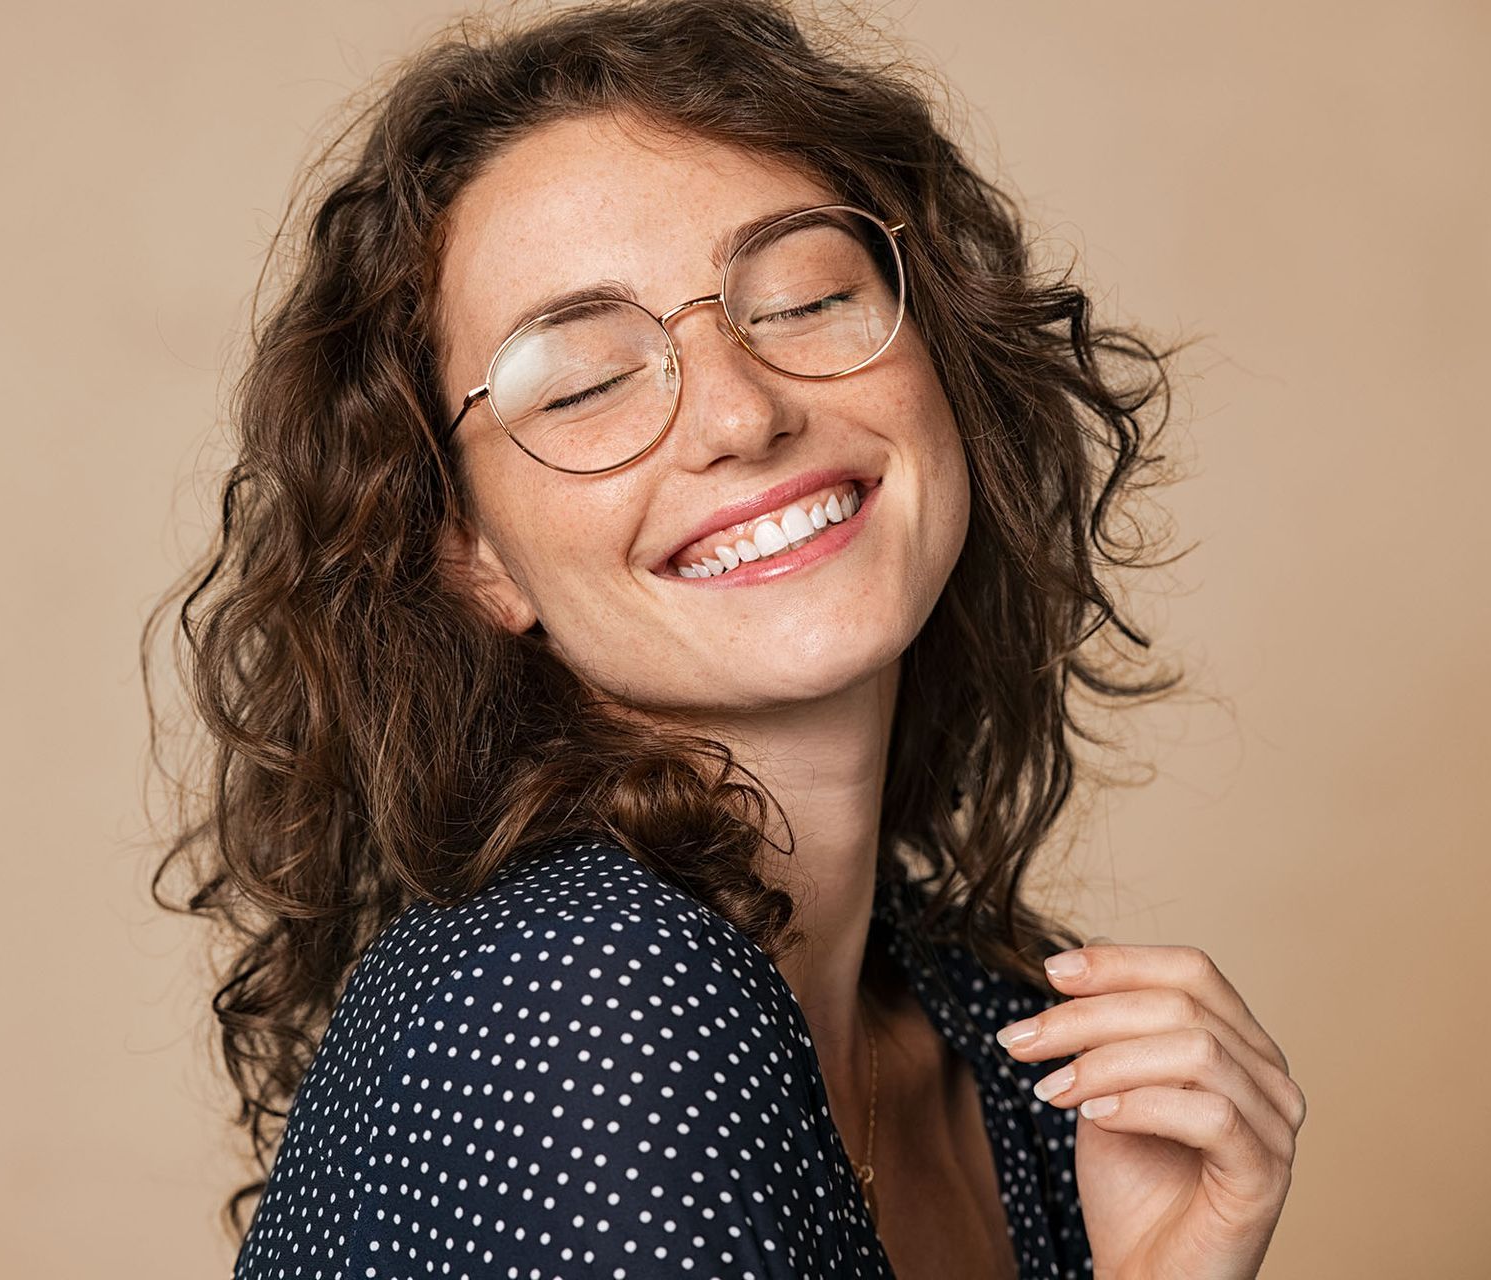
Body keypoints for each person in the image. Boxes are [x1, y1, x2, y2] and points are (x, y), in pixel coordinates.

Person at [143, 1, 1306, 1276]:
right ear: (472, 553)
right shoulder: (579, 995)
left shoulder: (1006, 1039)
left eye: (805, 297)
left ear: (941, 354)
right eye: (582, 380)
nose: (743, 414)